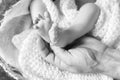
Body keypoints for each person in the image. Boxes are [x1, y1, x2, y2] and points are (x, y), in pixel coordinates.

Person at [30, 0, 100, 47]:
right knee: (36, 3)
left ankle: (66, 36)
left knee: (91, 7)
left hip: (77, 22)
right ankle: (44, 27)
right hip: (52, 15)